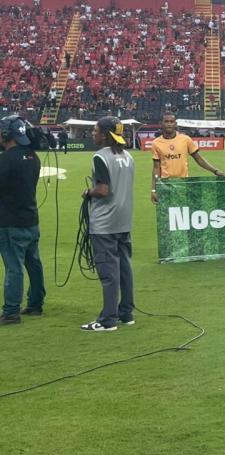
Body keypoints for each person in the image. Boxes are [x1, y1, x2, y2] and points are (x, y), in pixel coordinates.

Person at [81, 117, 135, 332]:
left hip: (105, 222)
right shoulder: (128, 155)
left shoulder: (100, 156)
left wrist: (88, 192)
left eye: (95, 131)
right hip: (124, 220)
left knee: (108, 272)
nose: (93, 134)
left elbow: (103, 190)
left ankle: (107, 320)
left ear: (105, 134)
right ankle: (126, 313)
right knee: (124, 268)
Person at [0, 115, 46, 325]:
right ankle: (36, 304)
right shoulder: (32, 156)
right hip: (30, 218)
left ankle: (11, 311)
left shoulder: (5, 160)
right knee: (33, 263)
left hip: (10, 221)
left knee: (13, 266)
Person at [150, 112, 225, 204]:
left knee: (183, 213)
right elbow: (156, 168)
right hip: (165, 184)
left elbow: (199, 159)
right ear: (161, 123)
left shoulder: (185, 139)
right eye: (166, 121)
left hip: (184, 183)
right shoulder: (156, 143)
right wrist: (154, 189)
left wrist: (215, 171)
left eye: (171, 121)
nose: (169, 124)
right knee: (167, 216)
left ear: (175, 124)